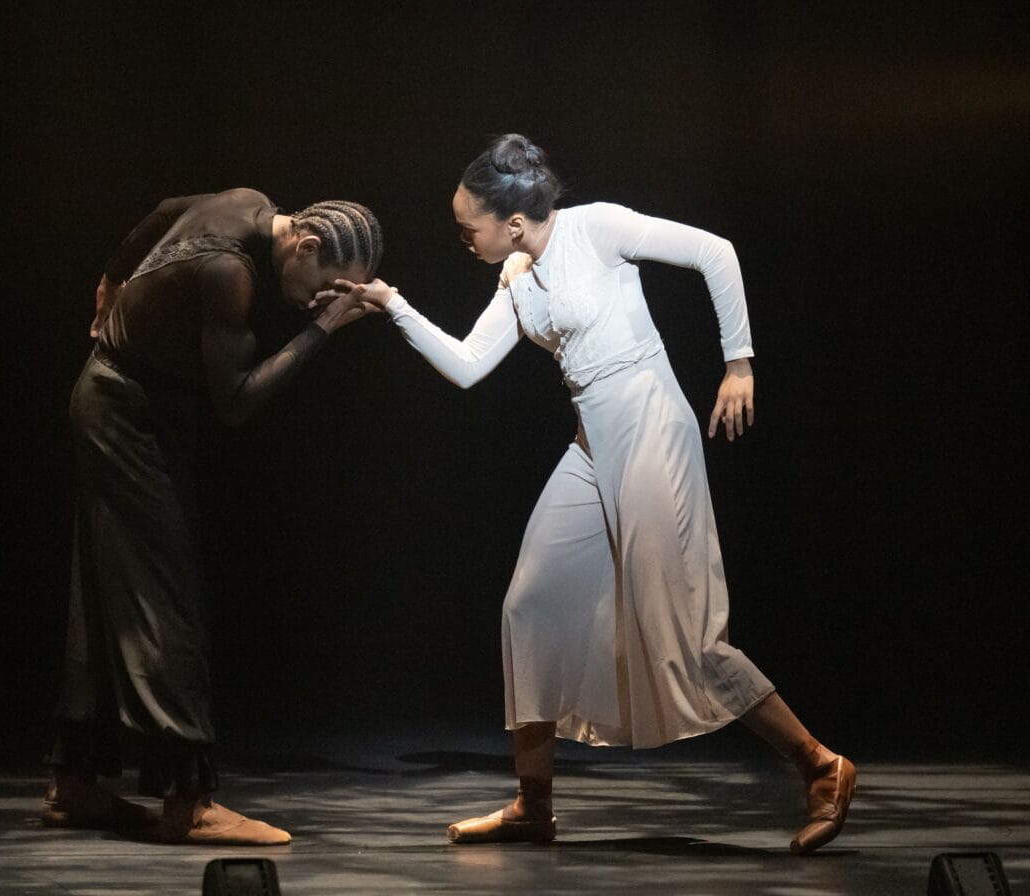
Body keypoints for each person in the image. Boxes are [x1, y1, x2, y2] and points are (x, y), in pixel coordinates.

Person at [348, 135, 853, 855]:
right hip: (593, 444)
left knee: (685, 636)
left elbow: (717, 252)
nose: (464, 237)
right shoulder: (516, 276)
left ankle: (821, 767)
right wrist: (392, 304)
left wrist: (738, 362)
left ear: (513, 222)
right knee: (531, 604)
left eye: (471, 226)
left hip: (651, 428)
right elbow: (466, 367)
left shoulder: (599, 227)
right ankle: (533, 805)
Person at [43, 188, 382, 845]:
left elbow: (163, 209)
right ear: (307, 246)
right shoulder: (231, 274)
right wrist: (323, 330)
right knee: (164, 598)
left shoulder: (246, 201)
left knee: (104, 595)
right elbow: (236, 401)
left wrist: (109, 284)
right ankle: (188, 802)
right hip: (125, 412)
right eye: (329, 286)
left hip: (117, 399)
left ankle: (75, 783)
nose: (323, 297)